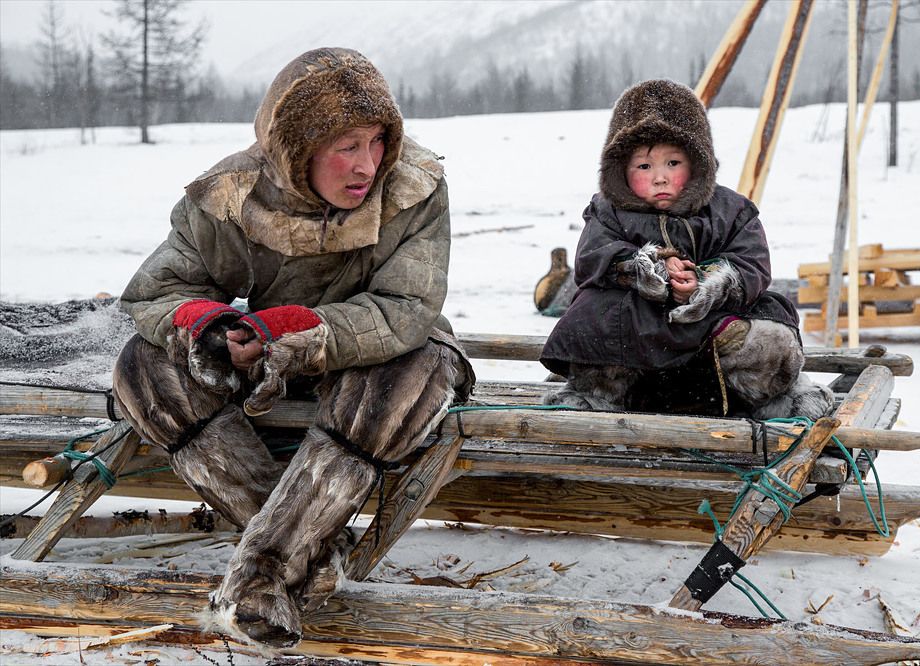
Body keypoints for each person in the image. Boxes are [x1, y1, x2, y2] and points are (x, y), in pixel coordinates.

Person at [112, 48, 473, 648]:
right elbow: (158, 292)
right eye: (347, 146)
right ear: (298, 149)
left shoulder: (413, 187)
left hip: (378, 353)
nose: (368, 164)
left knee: (416, 371)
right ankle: (313, 547)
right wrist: (214, 331)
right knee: (141, 367)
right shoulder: (229, 195)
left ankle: (265, 573)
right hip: (262, 363)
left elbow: (406, 307)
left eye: (377, 141)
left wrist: (292, 330)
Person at [541, 79, 832, 419]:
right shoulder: (608, 211)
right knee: (590, 313)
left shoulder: (730, 210)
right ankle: (598, 394)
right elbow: (593, 257)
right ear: (620, 169)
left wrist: (706, 280)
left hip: (711, 324)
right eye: (644, 166)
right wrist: (645, 267)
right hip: (635, 328)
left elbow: (752, 262)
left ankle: (773, 397)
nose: (660, 178)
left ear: (697, 162)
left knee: (771, 326)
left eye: (673, 163)